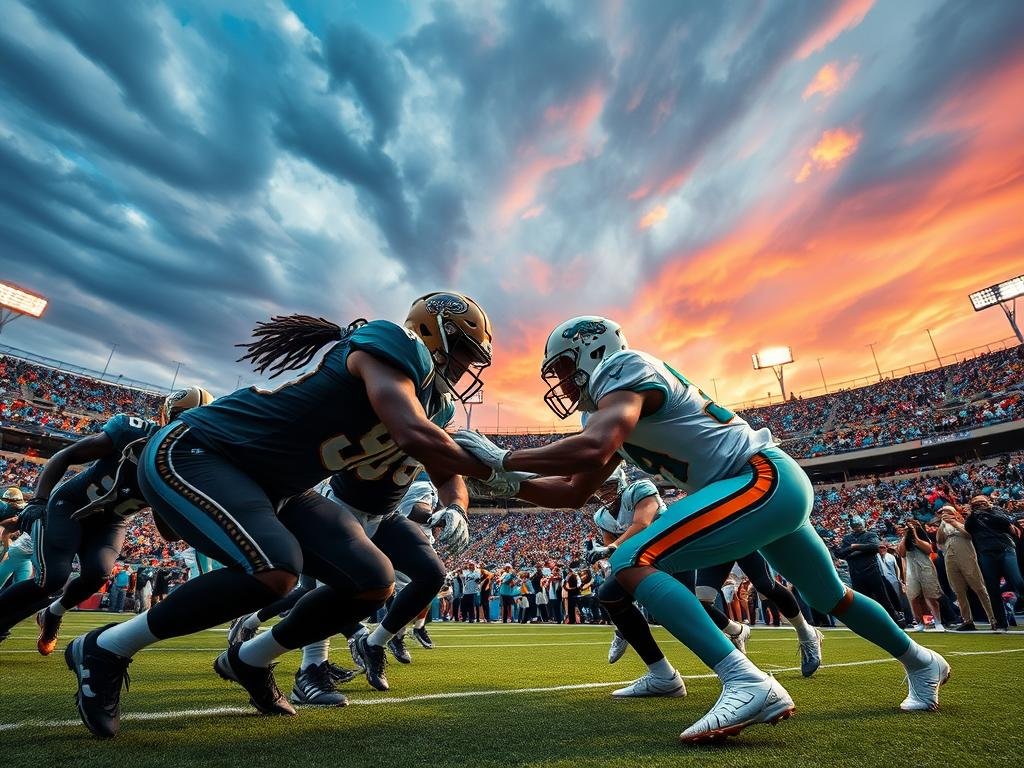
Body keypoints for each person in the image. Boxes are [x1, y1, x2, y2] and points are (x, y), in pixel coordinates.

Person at [456, 315, 949, 743]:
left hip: (757, 477)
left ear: (591, 350)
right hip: (764, 487)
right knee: (829, 596)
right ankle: (923, 661)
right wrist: (498, 478)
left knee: (630, 560)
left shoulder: (623, 369)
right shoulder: (602, 406)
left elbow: (593, 445)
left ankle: (744, 681)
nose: (560, 383)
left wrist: (505, 457)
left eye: (563, 367)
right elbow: (571, 490)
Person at [63, 292, 498, 738]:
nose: (466, 368)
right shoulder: (391, 342)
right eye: (463, 353)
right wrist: (494, 465)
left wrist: (457, 507)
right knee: (275, 569)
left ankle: (248, 659)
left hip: (280, 486)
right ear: (430, 334)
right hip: (205, 450)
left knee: (372, 578)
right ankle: (105, 647)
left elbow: (445, 469)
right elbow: (411, 431)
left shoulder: (436, 404)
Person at [0, 387, 213, 654]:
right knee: (53, 577)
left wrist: (163, 492)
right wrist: (39, 499)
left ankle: (52, 614)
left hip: (111, 522)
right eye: (181, 417)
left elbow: (169, 535)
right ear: (166, 416)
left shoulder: (182, 465)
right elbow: (65, 455)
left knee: (96, 575)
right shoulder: (132, 432)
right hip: (71, 506)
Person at [964, 495, 1024, 631]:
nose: (979, 505)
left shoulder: (997, 511)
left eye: (982, 502)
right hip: (986, 553)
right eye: (976, 503)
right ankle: (1002, 623)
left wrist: (987, 511)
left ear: (988, 502)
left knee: (1018, 581)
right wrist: (973, 513)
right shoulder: (972, 518)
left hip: (1005, 549)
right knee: (992, 588)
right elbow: (968, 528)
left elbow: (1005, 522)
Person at [936, 505, 995, 631]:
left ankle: (993, 618)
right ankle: (967, 620)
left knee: (979, 588)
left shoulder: (964, 522)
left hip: (966, 556)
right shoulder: (943, 527)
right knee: (958, 591)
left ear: (954, 513)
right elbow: (939, 540)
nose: (944, 514)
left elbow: (968, 535)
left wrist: (954, 522)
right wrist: (942, 525)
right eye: (942, 512)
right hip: (950, 557)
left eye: (946, 511)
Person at [896, 520, 944, 631]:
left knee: (931, 596)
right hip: (912, 571)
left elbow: (928, 550)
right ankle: (921, 622)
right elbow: (902, 553)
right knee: (914, 598)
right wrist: (905, 535)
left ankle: (938, 622)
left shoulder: (923, 538)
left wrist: (915, 534)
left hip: (926, 568)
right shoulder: (905, 541)